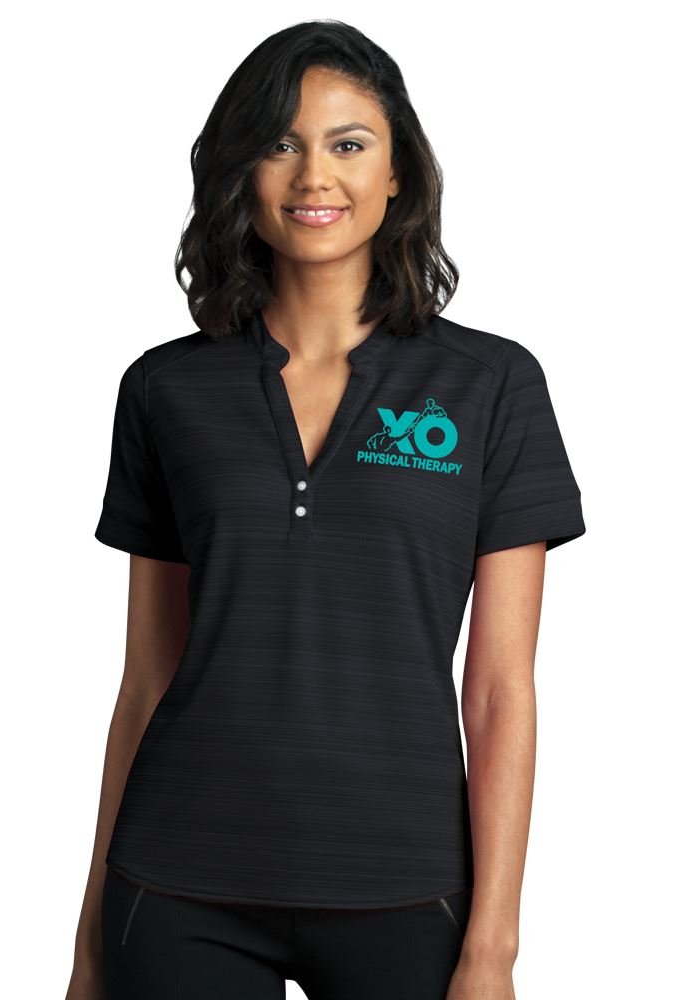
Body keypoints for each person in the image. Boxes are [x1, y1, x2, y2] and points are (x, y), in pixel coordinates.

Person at [66, 19, 586, 1000]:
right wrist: (90, 941)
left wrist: (493, 949)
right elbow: (146, 680)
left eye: (348, 144)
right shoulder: (165, 390)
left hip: (407, 889)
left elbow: (499, 690)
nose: (315, 175)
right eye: (280, 142)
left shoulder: (489, 385)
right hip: (176, 883)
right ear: (241, 172)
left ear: (397, 174)